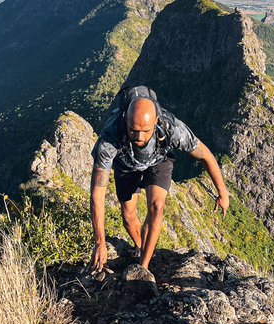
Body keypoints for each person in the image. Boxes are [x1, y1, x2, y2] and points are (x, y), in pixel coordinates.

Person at [89, 86, 229, 274]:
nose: (139, 137)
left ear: (155, 121)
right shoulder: (109, 138)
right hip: (125, 165)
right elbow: (98, 192)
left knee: (157, 206)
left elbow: (206, 156)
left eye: (146, 131)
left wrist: (222, 192)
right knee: (129, 217)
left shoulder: (172, 128)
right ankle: (140, 247)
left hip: (158, 161)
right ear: (125, 119)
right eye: (133, 130)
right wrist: (100, 243)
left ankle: (144, 267)